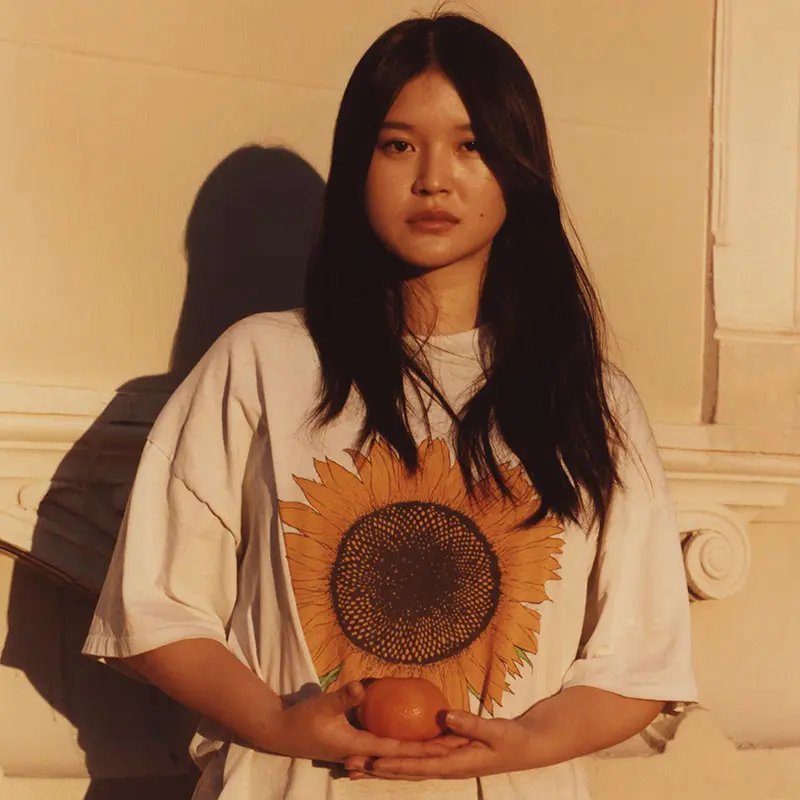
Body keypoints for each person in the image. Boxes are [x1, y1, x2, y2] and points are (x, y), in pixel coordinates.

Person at [82, 10, 697, 799]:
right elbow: (155, 608)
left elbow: (639, 662)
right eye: (398, 145)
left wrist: (522, 743)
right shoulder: (261, 363)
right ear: (357, 165)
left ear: (517, 168)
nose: (433, 178)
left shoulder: (590, 399)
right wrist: (277, 723)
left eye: (471, 145)